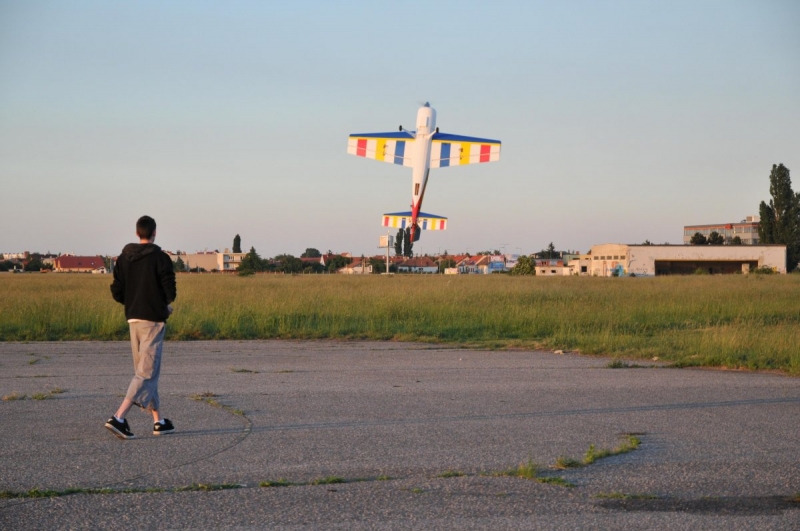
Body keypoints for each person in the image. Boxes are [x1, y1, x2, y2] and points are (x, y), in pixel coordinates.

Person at [106, 215, 177, 439]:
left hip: (133, 320)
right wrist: (162, 307)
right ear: (154, 233)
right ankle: (118, 417)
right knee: (147, 371)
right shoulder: (161, 258)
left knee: (146, 371)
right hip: (153, 321)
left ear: (137, 233)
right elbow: (170, 292)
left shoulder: (124, 258)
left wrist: (134, 304)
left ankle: (158, 421)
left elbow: (116, 291)